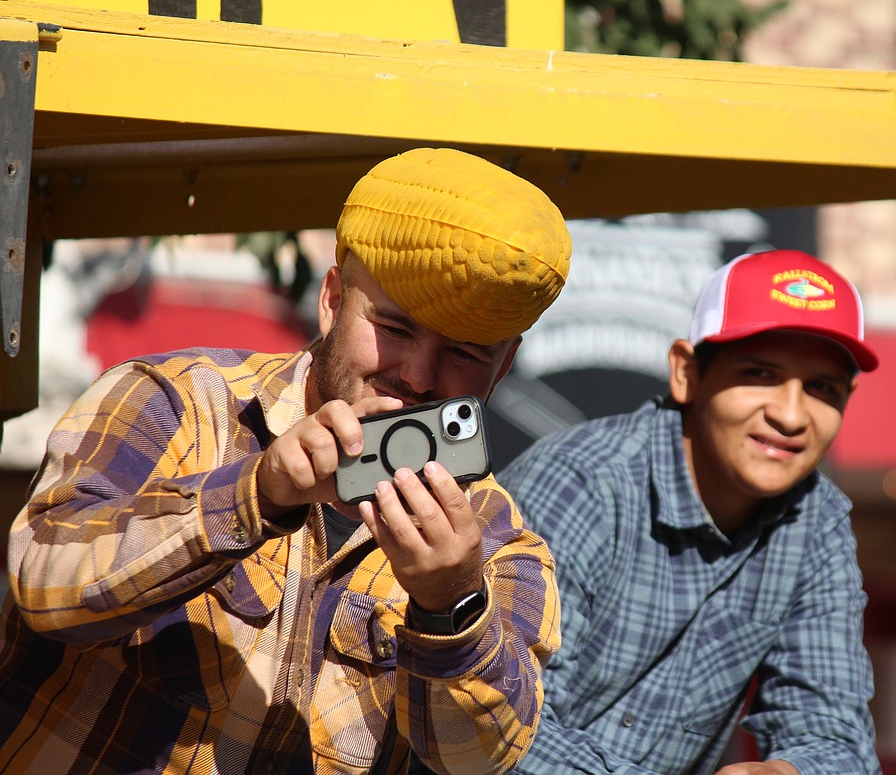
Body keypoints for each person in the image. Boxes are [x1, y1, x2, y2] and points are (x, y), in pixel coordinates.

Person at [0, 148, 570, 775]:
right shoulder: (177, 405)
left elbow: (476, 761)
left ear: (504, 367)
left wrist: (449, 606)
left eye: (464, 353)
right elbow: (42, 583)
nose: (417, 376)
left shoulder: (494, 542)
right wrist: (254, 495)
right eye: (396, 329)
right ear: (331, 301)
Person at [498, 249, 882, 774]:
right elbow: (502, 726)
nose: (791, 415)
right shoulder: (583, 484)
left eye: (822, 388)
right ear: (686, 373)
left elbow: (837, 739)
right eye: (761, 374)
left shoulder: (815, 522)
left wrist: (785, 772)